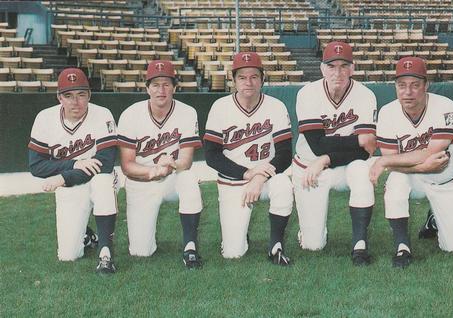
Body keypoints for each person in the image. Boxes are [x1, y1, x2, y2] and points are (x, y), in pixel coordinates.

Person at [370, 56, 453, 268]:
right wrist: (419, 167)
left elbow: (432, 152)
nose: (408, 92)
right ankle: (402, 247)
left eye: (415, 85)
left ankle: (434, 218)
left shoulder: (445, 106)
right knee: (396, 182)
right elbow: (391, 159)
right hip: (414, 176)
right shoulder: (387, 112)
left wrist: (387, 162)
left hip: (446, 179)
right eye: (402, 85)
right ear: (395, 86)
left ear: (426, 85)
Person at [292, 41, 377, 266]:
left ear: (353, 68)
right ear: (322, 69)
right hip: (309, 168)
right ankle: (310, 231)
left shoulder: (366, 95)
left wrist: (328, 158)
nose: (337, 72)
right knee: (313, 245)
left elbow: (367, 151)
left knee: (361, 171)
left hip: (343, 166)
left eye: (343, 66)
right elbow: (317, 145)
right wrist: (356, 140)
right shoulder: (307, 94)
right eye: (332, 66)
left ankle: (359, 244)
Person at [204, 52, 293, 265]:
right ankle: (238, 236)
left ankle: (276, 246)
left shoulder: (276, 106)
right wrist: (247, 173)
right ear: (233, 80)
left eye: (254, 76)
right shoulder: (220, 107)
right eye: (242, 77)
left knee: (283, 185)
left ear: (262, 79)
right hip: (233, 181)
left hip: (267, 178)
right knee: (233, 253)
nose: (248, 82)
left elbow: (285, 155)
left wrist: (258, 177)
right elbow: (211, 156)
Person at [28, 67, 118, 274]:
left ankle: (106, 252)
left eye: (81, 95)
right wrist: (74, 163)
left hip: (96, 178)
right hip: (71, 183)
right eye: (68, 95)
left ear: (89, 95)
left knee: (104, 181)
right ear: (59, 97)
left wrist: (62, 177)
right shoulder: (44, 118)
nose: (75, 102)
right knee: (68, 255)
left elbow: (105, 163)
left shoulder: (103, 114)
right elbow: (36, 166)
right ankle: (86, 235)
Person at [117, 60, 203, 269]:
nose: (161, 90)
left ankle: (190, 246)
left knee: (189, 179)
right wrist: (152, 171)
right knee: (141, 252)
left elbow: (186, 161)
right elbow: (127, 165)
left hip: (172, 178)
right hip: (141, 181)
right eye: (155, 84)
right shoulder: (130, 114)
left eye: (166, 84)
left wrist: (172, 164)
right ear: (147, 88)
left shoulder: (187, 112)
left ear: (175, 86)